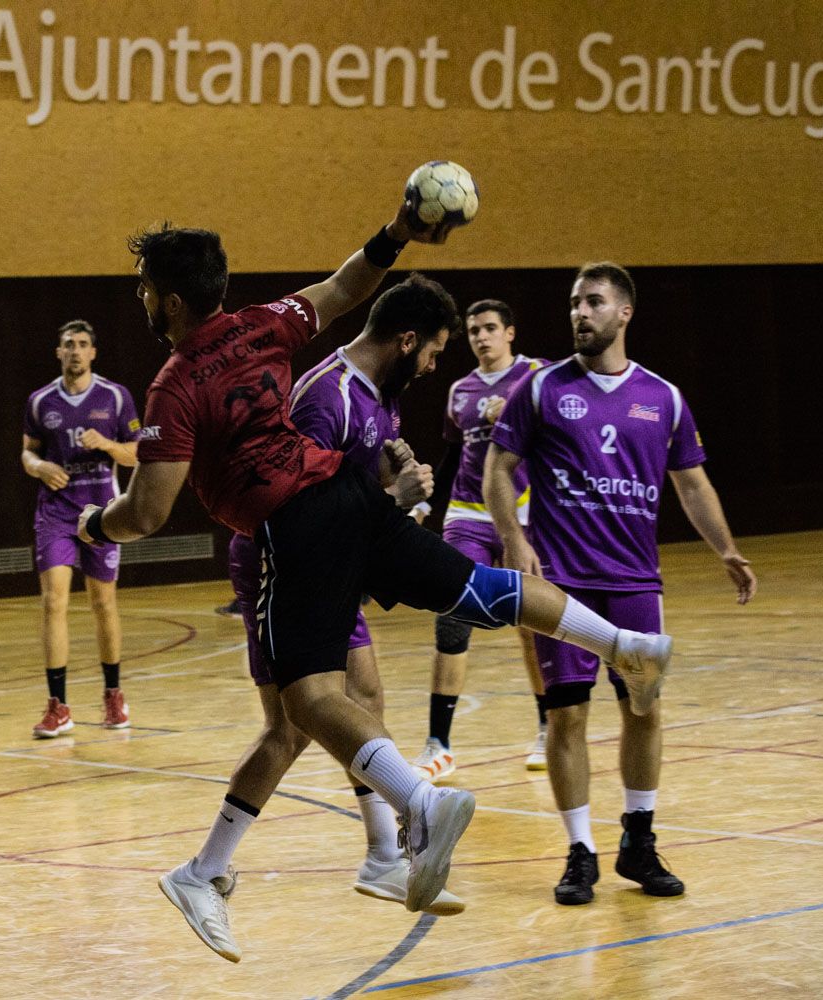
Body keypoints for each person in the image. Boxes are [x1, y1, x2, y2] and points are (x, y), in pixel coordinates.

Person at [75, 205, 673, 963]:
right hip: (350, 500)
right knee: (476, 594)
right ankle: (625, 645)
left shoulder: (174, 385)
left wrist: (99, 525)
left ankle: (415, 809)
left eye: (141, 288)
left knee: (310, 702)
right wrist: (401, 226)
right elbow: (346, 284)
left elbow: (150, 510)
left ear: (167, 298)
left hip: (292, 531)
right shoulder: (266, 323)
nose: (139, 300)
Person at [483, 262, 756, 907]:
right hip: (564, 581)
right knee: (567, 715)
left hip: (635, 581)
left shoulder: (663, 396)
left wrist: (726, 549)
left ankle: (639, 839)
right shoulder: (541, 389)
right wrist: (516, 542)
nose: (580, 312)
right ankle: (580, 852)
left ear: (625, 313)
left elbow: (691, 482)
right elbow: (499, 471)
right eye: (575, 302)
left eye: (594, 302)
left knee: (644, 706)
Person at [221, 277, 467, 921]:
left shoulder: (381, 399)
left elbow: (353, 493)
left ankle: (384, 856)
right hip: (283, 566)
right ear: (407, 340)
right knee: (289, 729)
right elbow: (304, 514)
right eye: (435, 352)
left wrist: (395, 488)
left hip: (330, 563)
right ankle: (207, 869)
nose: (435, 366)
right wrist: (395, 499)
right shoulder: (325, 399)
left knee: (365, 695)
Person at [406, 300, 548, 779]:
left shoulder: (537, 376)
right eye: (473, 331)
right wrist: (425, 505)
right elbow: (452, 456)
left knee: (531, 622)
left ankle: (548, 727)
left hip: (523, 515)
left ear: (510, 333)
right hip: (466, 513)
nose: (481, 337)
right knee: (453, 613)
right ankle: (438, 745)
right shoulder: (460, 390)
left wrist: (513, 411)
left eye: (490, 328)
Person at [21, 320, 141, 737]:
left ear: (93, 353)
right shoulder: (40, 401)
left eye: (82, 344)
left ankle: (113, 693)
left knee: (103, 603)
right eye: (68, 344)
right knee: (53, 602)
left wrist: (107, 445)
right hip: (55, 513)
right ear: (59, 353)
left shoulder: (115, 397)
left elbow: (136, 455)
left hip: (101, 513)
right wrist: (39, 467)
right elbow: (27, 453)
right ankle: (58, 706)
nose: (74, 350)